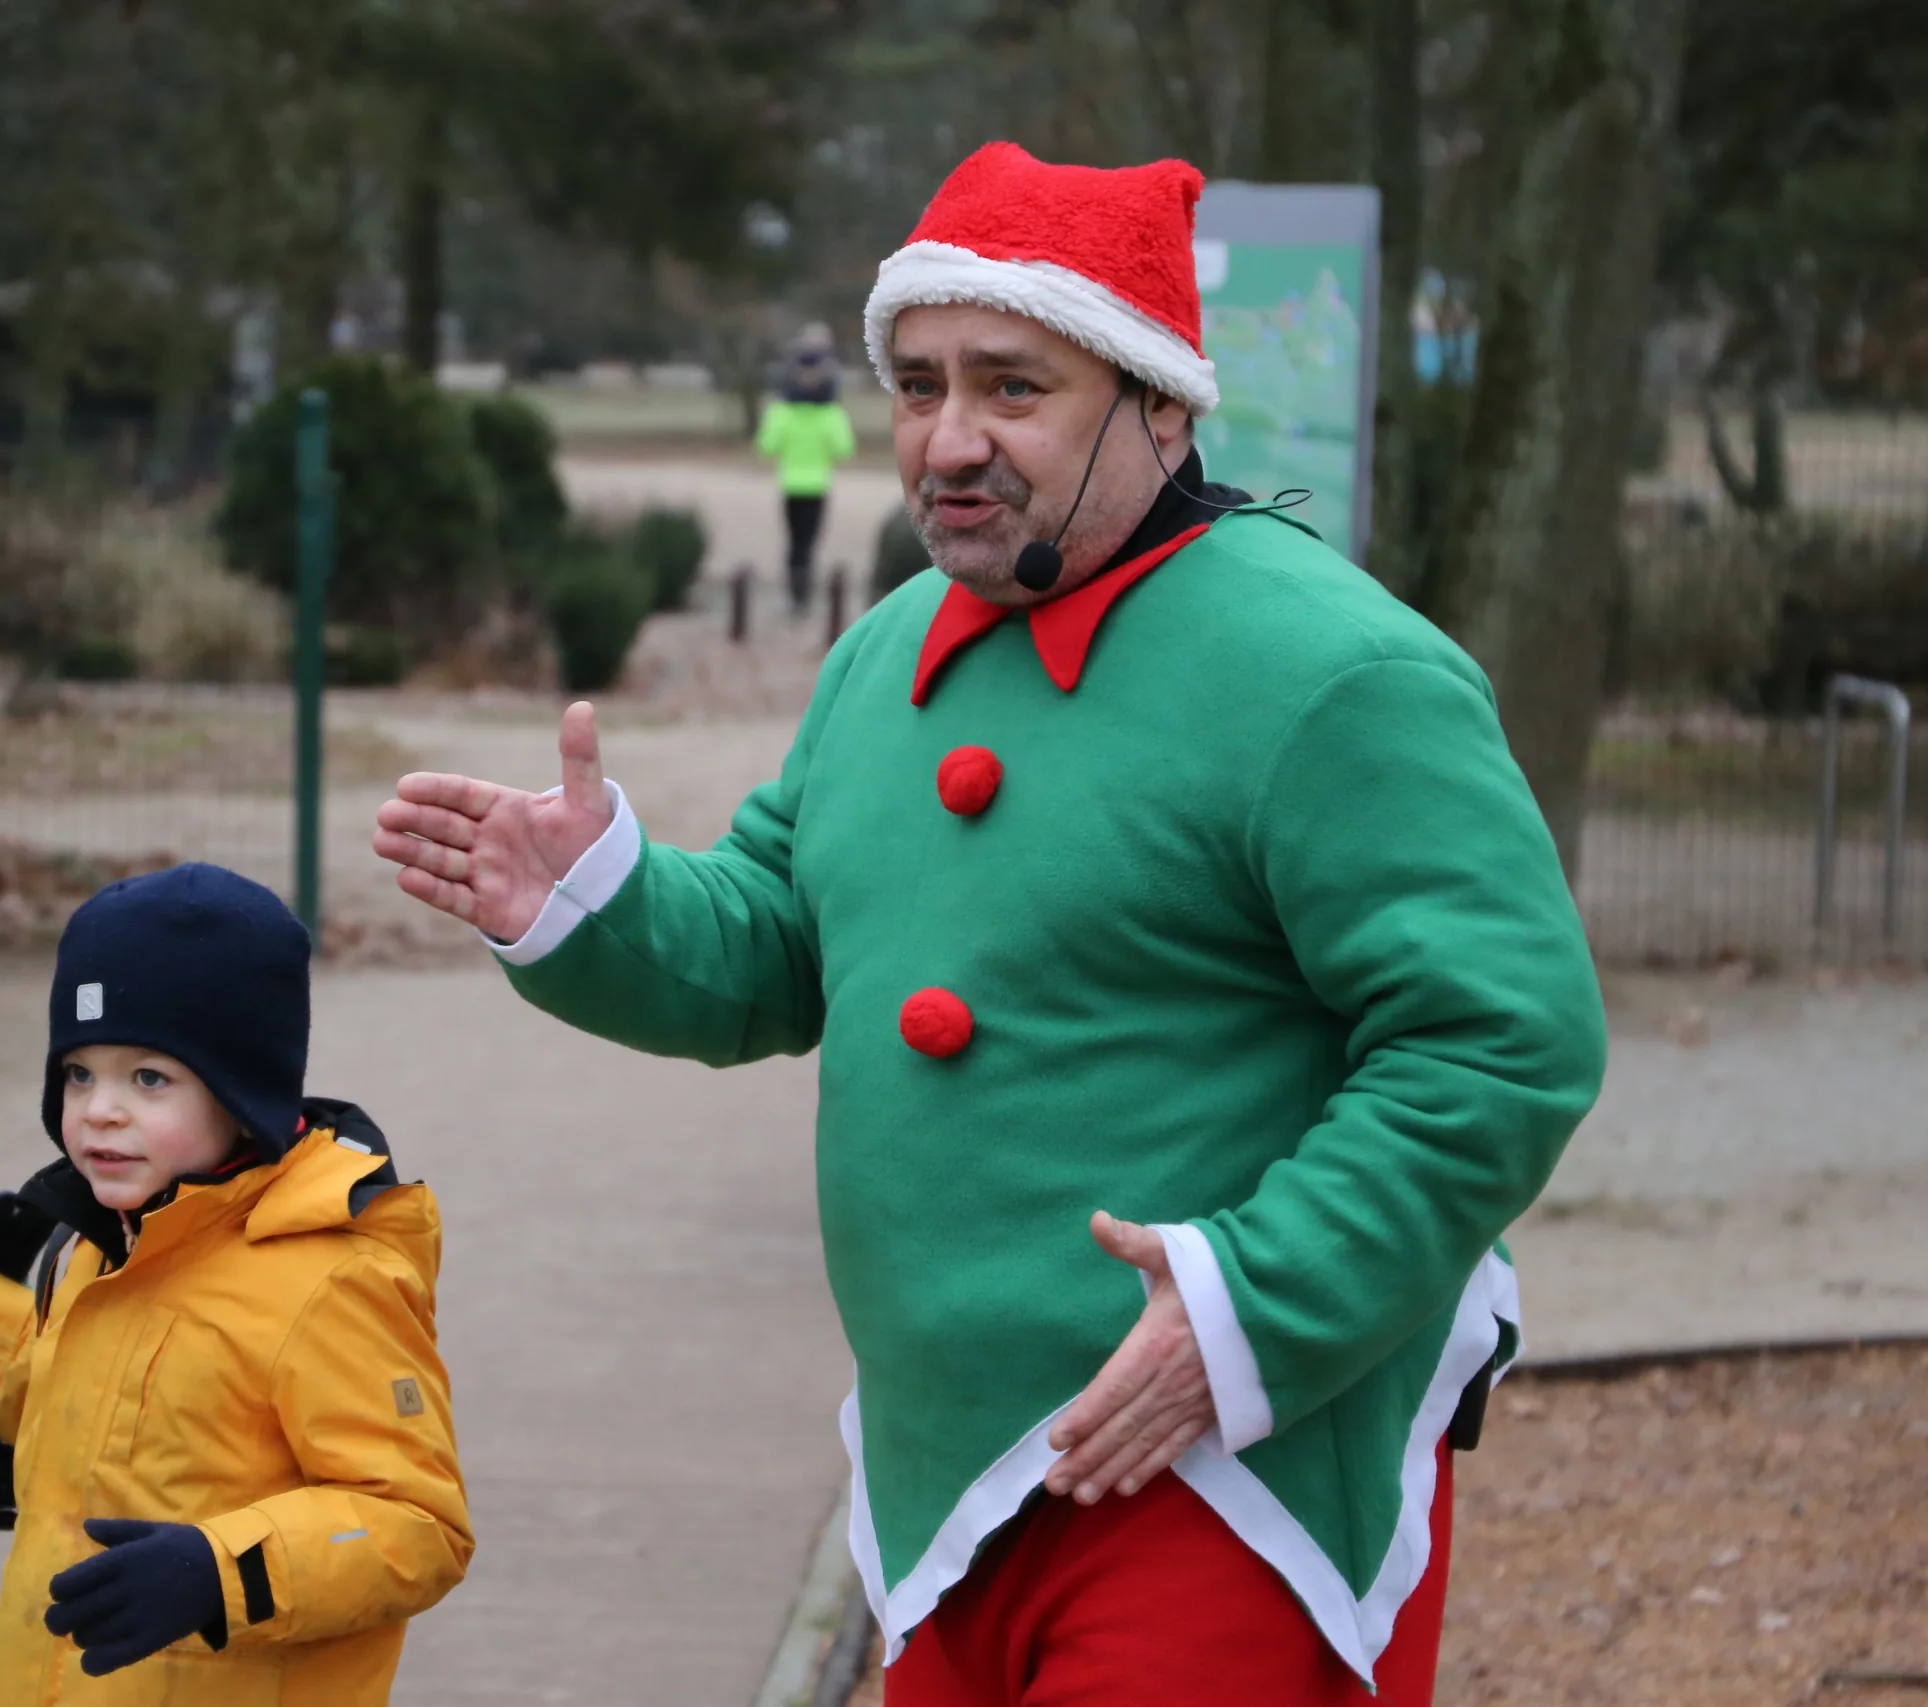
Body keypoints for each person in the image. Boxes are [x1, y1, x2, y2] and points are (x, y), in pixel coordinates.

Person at [372, 142, 1606, 1707]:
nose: (946, 440)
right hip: (944, 1474)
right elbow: (779, 942)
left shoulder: (1336, 671)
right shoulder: (887, 650)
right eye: (920, 383)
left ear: (1161, 402)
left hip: (1228, 1471)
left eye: (1013, 388)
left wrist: (1246, 1305)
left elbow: (1504, 1041)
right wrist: (597, 897)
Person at [0, 863, 472, 1705]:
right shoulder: (104, 1239)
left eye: (149, 1078)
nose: (100, 1110)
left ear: (242, 1093)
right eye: (79, 1073)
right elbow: (90, 1417)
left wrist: (222, 1573)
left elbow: (416, 1525)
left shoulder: (327, 1275)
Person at [755, 322, 858, 613]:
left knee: (794, 542)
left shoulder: (781, 412)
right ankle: (804, 593)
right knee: (809, 542)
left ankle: (796, 594)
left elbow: (766, 446)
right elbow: (845, 449)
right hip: (817, 484)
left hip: (790, 483)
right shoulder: (831, 414)